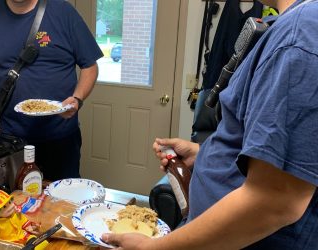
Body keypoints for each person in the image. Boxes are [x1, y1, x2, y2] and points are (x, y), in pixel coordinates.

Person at [101, 0, 318, 249]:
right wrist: (203, 154)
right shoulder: (287, 27)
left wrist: (154, 248)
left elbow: (276, 201)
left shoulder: (301, 35)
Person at [0, 0, 103, 182]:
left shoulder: (64, 11)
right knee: (14, 202)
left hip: (60, 137)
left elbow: (90, 65)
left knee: (63, 202)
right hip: (9, 139)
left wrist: (78, 98)